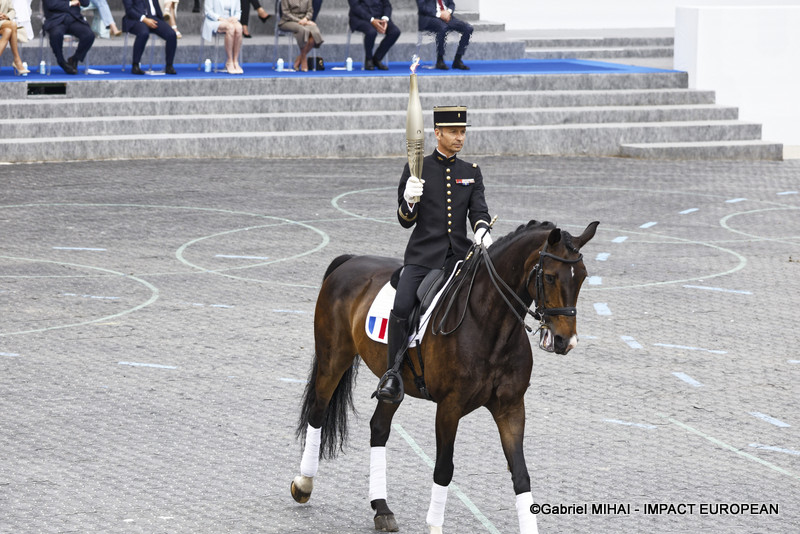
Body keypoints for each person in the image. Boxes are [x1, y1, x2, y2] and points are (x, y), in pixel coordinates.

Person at [375, 106, 493, 404]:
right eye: (453, 132)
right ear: (437, 133)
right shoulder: (417, 169)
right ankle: (392, 374)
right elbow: (405, 221)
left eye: (463, 132)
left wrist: (482, 230)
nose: (460, 137)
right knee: (402, 305)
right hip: (423, 256)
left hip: (459, 258)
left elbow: (479, 211)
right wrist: (409, 200)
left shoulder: (471, 172)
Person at [122, 0, 178, 75]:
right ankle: (135, 65)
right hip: (136, 19)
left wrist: (161, 21)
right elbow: (129, 10)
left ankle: (169, 66)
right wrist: (145, 19)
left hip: (154, 18)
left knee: (171, 34)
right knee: (143, 33)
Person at [42, 0, 95, 75]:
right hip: (56, 19)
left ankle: (74, 59)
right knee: (56, 34)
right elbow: (51, 4)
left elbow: (86, 3)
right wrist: (70, 3)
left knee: (89, 35)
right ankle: (61, 61)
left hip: (74, 19)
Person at [417, 0, 472, 70]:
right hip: (429, 17)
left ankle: (457, 60)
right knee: (442, 27)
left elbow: (451, 4)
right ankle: (440, 60)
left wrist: (448, 12)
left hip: (447, 17)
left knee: (468, 28)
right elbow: (422, 7)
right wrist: (439, 14)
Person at [347, 0, 399, 71]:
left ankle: (377, 58)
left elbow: (387, 5)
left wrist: (385, 19)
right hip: (361, 19)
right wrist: (372, 20)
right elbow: (355, 7)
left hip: (379, 18)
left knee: (395, 32)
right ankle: (369, 59)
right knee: (371, 32)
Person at [278, 0, 322, 72]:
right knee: (303, 30)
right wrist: (300, 21)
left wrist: (306, 19)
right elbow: (286, 13)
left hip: (304, 20)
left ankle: (300, 57)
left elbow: (310, 11)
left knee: (315, 32)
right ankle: (303, 59)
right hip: (288, 21)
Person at [202, 0, 243, 73]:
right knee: (230, 28)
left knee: (239, 28)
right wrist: (220, 18)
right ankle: (229, 61)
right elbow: (208, 12)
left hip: (230, 20)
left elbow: (238, 12)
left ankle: (235, 61)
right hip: (215, 21)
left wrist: (235, 18)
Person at [0, 0, 28, 74]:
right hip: (5, 23)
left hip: (4, 22)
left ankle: (17, 60)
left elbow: (12, 10)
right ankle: (17, 59)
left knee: (8, 31)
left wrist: (7, 16)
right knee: (12, 25)